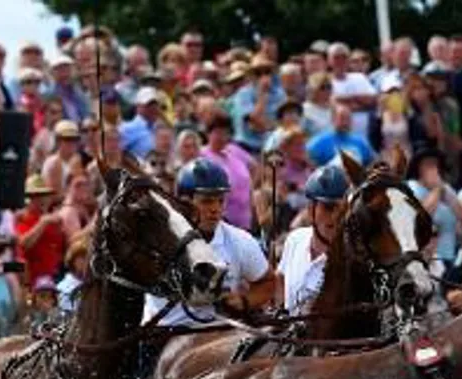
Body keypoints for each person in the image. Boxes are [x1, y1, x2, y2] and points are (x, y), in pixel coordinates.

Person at [145, 159, 271, 326]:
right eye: (207, 201)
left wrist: (245, 301)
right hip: (162, 334)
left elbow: (268, 282)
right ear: (184, 201)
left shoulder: (240, 241)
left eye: (221, 201)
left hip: (216, 337)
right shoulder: (154, 240)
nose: (216, 209)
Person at [278, 164, 347, 313]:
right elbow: (280, 279)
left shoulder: (352, 256)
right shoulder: (295, 239)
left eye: (341, 209)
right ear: (311, 210)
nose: (335, 217)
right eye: (328, 208)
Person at [406, 147, 462, 269]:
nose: (433, 168)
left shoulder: (445, 188)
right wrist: (437, 189)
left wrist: (443, 190)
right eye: (428, 164)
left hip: (449, 256)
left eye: (435, 164)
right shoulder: (411, 187)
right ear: (418, 167)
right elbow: (422, 216)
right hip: (425, 258)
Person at [201, 111, 257, 230]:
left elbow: (255, 166)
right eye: (218, 133)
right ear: (208, 134)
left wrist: (251, 191)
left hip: (244, 219)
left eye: (225, 133)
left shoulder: (233, 150)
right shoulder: (202, 155)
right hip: (221, 220)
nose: (222, 137)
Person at [13, 174, 66, 288]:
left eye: (44, 195)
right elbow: (23, 244)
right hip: (35, 281)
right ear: (28, 200)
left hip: (56, 276)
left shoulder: (53, 220)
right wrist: (42, 223)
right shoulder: (23, 220)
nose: (41, 199)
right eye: (35, 196)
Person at [305, 102, 373, 166]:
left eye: (348, 119)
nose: (345, 123)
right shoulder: (320, 142)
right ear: (333, 119)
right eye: (342, 118)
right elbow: (308, 161)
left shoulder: (360, 141)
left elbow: (371, 162)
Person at [119, 87, 161, 159]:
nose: (153, 108)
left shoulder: (159, 128)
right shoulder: (128, 128)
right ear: (138, 107)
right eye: (148, 105)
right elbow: (116, 153)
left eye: (155, 104)